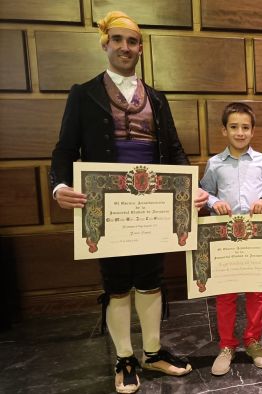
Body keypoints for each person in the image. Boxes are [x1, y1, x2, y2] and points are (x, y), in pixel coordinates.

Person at [49, 11, 208, 394]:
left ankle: (153, 352)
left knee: (151, 280)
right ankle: (124, 358)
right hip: (107, 208)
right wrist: (59, 188)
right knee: (117, 284)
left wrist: (191, 189)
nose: (125, 47)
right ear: (105, 43)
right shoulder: (82, 94)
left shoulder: (157, 97)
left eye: (132, 41)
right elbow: (64, 150)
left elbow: (173, 151)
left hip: (152, 208)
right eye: (118, 40)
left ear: (140, 48)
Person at [200, 102, 262, 376]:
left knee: (257, 291)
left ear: (253, 131)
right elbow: (203, 192)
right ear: (224, 130)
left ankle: (253, 341)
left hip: (256, 236)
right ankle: (227, 345)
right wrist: (214, 201)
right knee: (226, 293)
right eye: (234, 127)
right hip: (225, 237)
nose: (240, 132)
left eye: (245, 127)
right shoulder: (215, 163)